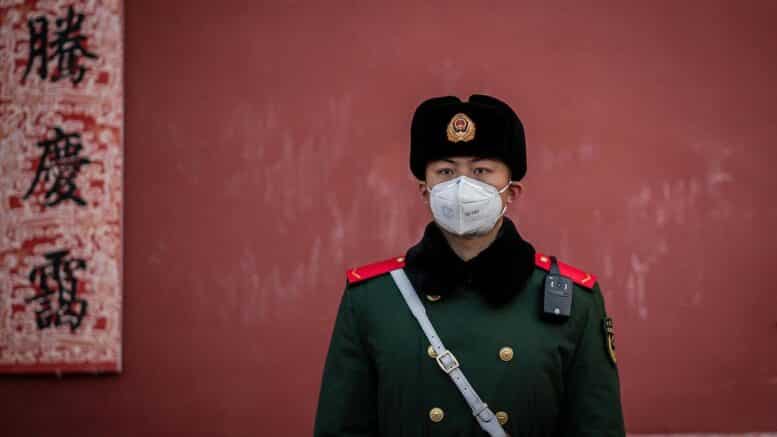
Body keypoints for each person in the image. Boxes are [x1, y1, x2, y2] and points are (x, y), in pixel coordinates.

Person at [313, 94, 625, 436]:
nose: (462, 186)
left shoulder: (574, 301)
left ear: (512, 191)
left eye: (481, 171)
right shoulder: (372, 299)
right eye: (446, 172)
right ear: (424, 190)